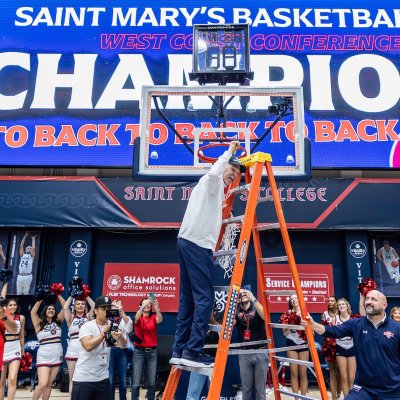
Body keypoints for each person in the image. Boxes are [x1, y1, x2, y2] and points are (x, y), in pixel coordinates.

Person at [171, 140, 245, 368]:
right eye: (232, 170)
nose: (233, 175)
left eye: (236, 173)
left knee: (187, 301)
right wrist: (229, 152)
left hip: (186, 242)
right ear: (222, 166)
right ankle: (193, 351)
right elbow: (214, 174)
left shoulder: (214, 191)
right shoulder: (211, 181)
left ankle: (179, 349)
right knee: (205, 299)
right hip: (197, 245)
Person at [304, 290, 400, 399]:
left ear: (384, 305)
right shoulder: (356, 324)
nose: (368, 301)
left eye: (373, 299)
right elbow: (331, 331)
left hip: (393, 390)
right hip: (364, 389)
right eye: (367, 298)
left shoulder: (396, 328)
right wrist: (312, 324)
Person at [71, 296, 124, 400]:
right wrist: (104, 333)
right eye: (103, 309)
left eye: (109, 309)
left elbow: (122, 345)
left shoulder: (112, 325)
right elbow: (88, 346)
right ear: (95, 311)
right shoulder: (87, 326)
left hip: (103, 378)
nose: (107, 312)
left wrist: (119, 337)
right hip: (84, 378)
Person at [234, 287, 269, 400]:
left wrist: (253, 299)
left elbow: (265, 316)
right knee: (246, 389)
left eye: (245, 293)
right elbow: (230, 324)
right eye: (240, 294)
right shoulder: (237, 311)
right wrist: (234, 303)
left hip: (260, 351)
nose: (243, 295)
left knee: (260, 390)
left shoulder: (256, 307)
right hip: (244, 353)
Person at [31, 295, 65, 400]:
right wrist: (40, 299)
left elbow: (65, 307)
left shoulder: (58, 321)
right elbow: (33, 312)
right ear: (45, 310)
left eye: (53, 309)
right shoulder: (38, 323)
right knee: (42, 383)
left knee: (49, 384)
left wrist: (58, 294)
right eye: (49, 309)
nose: (51, 310)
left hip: (57, 355)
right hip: (44, 357)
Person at [186, 304, 222, 400]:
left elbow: (222, 335)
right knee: (192, 393)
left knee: (214, 393)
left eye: (210, 311)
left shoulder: (220, 319)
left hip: (214, 361)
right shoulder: (198, 320)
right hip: (199, 360)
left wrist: (211, 319)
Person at [132, 295, 163, 400]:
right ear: (140, 305)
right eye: (145, 303)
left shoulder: (153, 317)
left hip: (152, 352)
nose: (147, 305)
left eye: (148, 304)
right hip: (139, 352)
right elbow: (136, 318)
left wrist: (157, 307)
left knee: (152, 380)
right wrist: (143, 306)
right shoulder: (138, 317)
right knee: (136, 380)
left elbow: (159, 320)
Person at [63, 295, 95, 394]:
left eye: (82, 304)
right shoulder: (71, 317)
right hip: (72, 351)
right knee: (72, 379)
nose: (80, 305)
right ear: (75, 307)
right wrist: (72, 295)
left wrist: (87, 295)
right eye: (78, 304)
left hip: (87, 351)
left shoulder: (89, 317)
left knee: (86, 379)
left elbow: (94, 306)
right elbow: (65, 307)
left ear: (85, 306)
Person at [0, 283, 25, 400]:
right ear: (6, 307)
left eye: (15, 305)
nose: (13, 307)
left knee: (12, 378)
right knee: (1, 380)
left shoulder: (21, 318)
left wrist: (22, 349)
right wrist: (5, 285)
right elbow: (2, 298)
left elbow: (21, 336)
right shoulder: (2, 315)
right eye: (10, 305)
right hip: (4, 347)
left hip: (15, 347)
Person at [281, 294, 309, 398]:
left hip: (303, 344)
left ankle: (303, 397)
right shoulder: (287, 314)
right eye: (291, 299)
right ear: (290, 302)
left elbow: (311, 331)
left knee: (303, 373)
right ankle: (296, 398)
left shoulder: (305, 313)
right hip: (291, 343)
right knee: (294, 373)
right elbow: (284, 333)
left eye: (295, 298)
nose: (293, 300)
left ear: (299, 300)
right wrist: (291, 323)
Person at [109, 299, 133, 400]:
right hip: (110, 350)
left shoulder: (126, 318)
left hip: (122, 350)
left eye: (118, 305)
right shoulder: (108, 319)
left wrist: (122, 312)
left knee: (122, 379)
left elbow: (128, 329)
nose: (116, 307)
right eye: (113, 306)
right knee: (110, 379)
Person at [335, 298, 358, 397]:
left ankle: (352, 397)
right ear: (338, 308)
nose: (341, 306)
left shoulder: (353, 319)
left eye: (343, 304)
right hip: (340, 348)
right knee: (343, 377)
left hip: (352, 348)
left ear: (347, 306)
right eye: (339, 305)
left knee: (352, 377)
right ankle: (346, 397)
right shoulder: (335, 319)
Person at [321, 296, 341, 400]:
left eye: (332, 301)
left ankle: (339, 393)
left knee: (340, 372)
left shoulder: (341, 312)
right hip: (329, 346)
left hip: (341, 345)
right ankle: (333, 397)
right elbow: (323, 331)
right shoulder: (324, 314)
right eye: (328, 301)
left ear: (336, 302)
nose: (330, 302)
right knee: (332, 371)